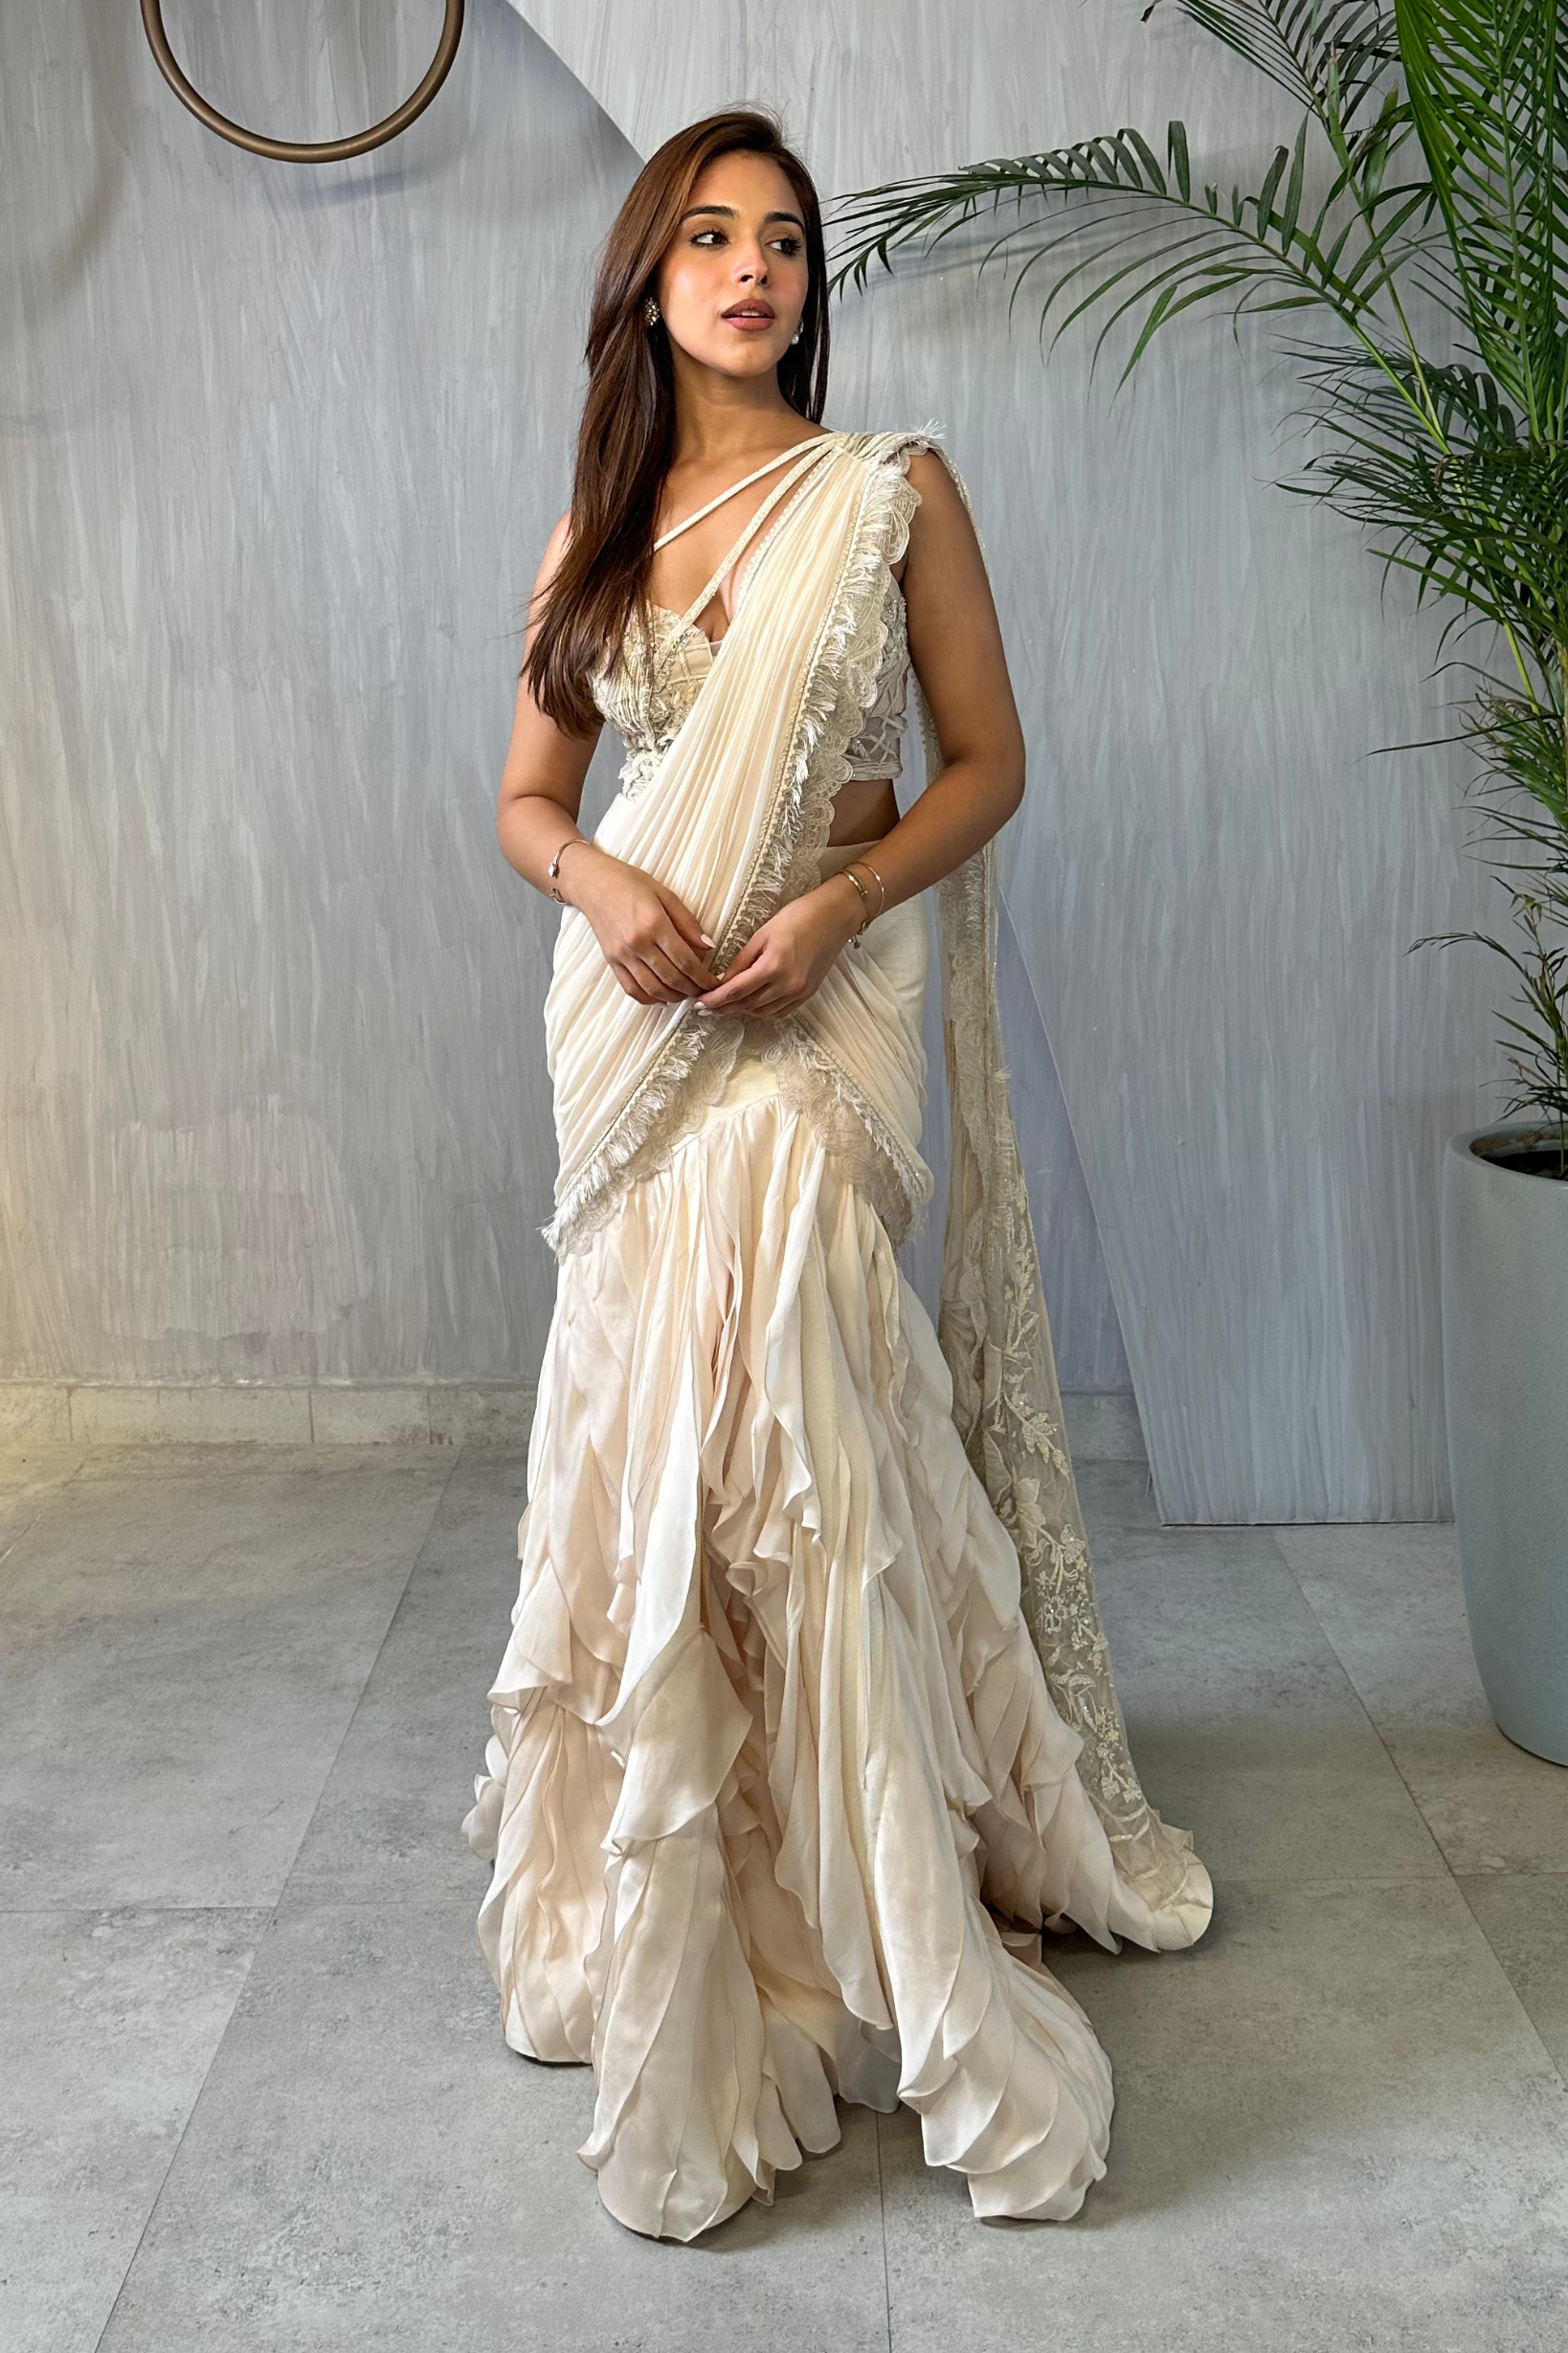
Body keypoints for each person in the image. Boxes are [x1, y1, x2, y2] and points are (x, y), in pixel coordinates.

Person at [462, 105, 1213, 2244]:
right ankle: (713, 1882)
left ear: (810, 286)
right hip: (641, 1008)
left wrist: (838, 901)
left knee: (788, 1346)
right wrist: (604, 882)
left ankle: (882, 1876)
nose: (753, 268)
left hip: (826, 981)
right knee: (666, 1415)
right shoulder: (595, 532)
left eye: (784, 240)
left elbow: (991, 761)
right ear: (648, 282)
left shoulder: (892, 492)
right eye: (709, 236)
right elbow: (526, 798)